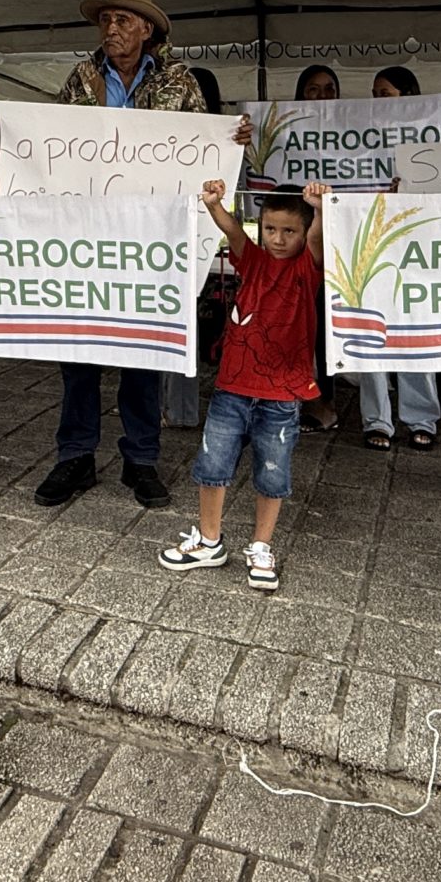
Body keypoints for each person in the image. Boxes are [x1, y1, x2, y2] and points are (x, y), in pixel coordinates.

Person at [25, 0, 247, 510]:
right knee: (76, 348)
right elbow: (47, 140)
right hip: (87, 235)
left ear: (147, 29)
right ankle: (74, 456)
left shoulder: (180, 82)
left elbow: (204, 152)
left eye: (123, 20)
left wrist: (231, 141)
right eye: (106, 20)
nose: (112, 29)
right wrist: (3, 129)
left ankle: (140, 460)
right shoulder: (81, 78)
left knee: (142, 350)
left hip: (150, 240)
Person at [160, 180, 328, 591]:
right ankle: (209, 540)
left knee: (273, 474)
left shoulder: (309, 266)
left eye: (289, 231)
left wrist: (320, 209)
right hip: (232, 388)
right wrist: (215, 205)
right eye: (270, 229)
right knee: (211, 466)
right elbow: (232, 231)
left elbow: (318, 239)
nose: (278, 238)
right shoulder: (252, 260)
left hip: (283, 395)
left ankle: (261, 546)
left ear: (304, 232)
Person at [359, 65, 441, 450]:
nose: (378, 101)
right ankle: (376, 419)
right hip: (367, 240)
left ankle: (421, 417)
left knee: (413, 327)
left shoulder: (432, 137)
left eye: (386, 94)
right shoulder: (356, 135)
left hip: (413, 244)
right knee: (369, 329)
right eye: (374, 94)